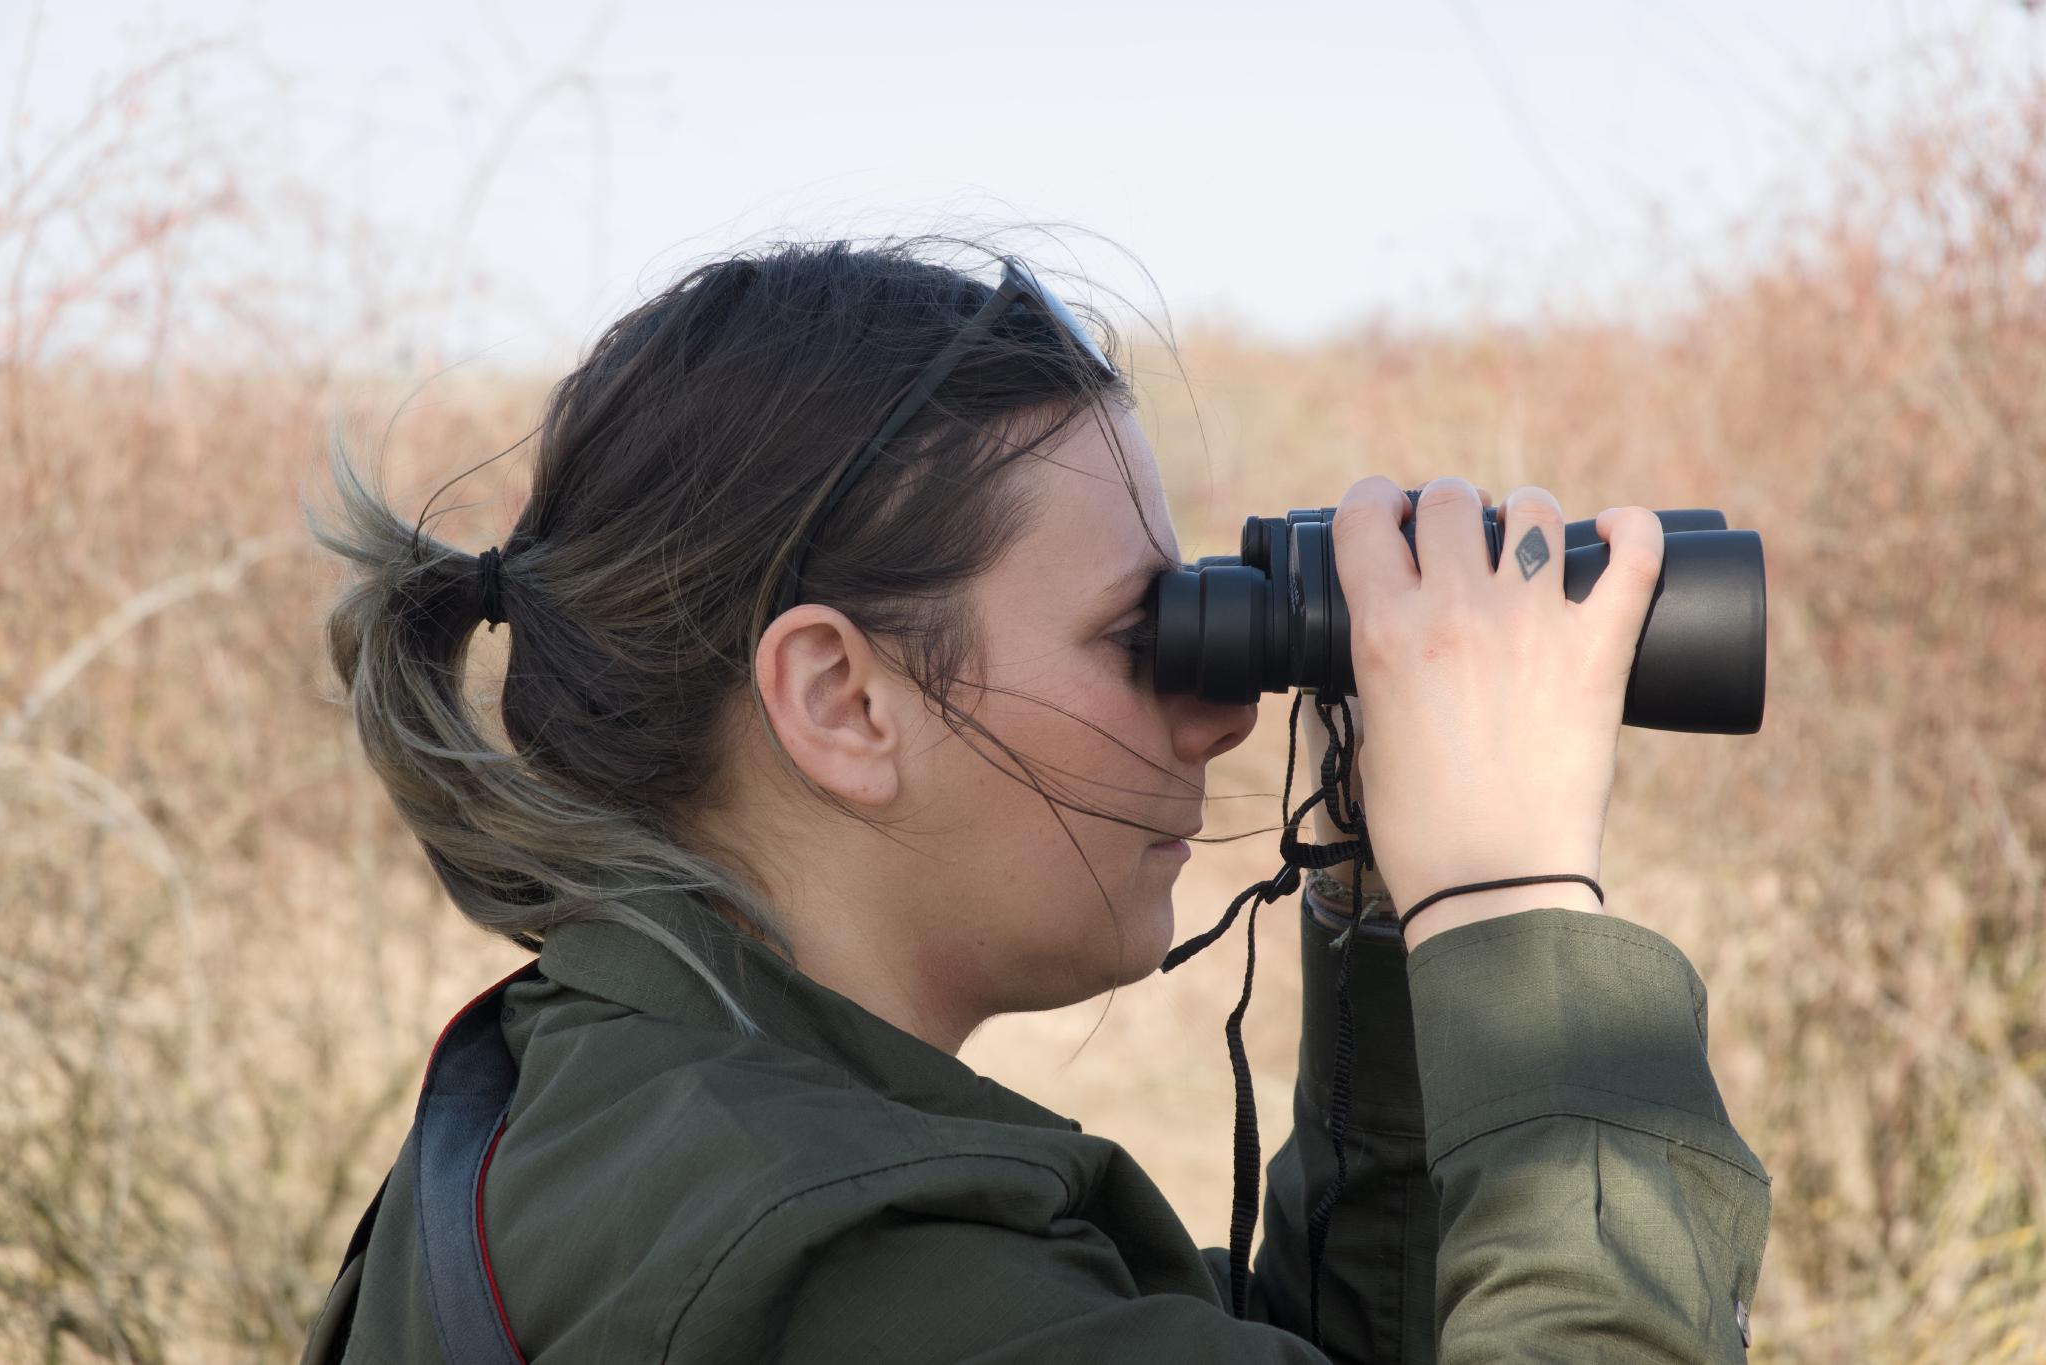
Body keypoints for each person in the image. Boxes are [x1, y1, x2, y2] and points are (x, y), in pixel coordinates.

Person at [301, 239, 1771, 1363]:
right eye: (1141, 632)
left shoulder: (598, 1099)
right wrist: (1513, 911)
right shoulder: (836, 1259)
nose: (1221, 711)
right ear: (842, 700)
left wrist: (1384, 916)